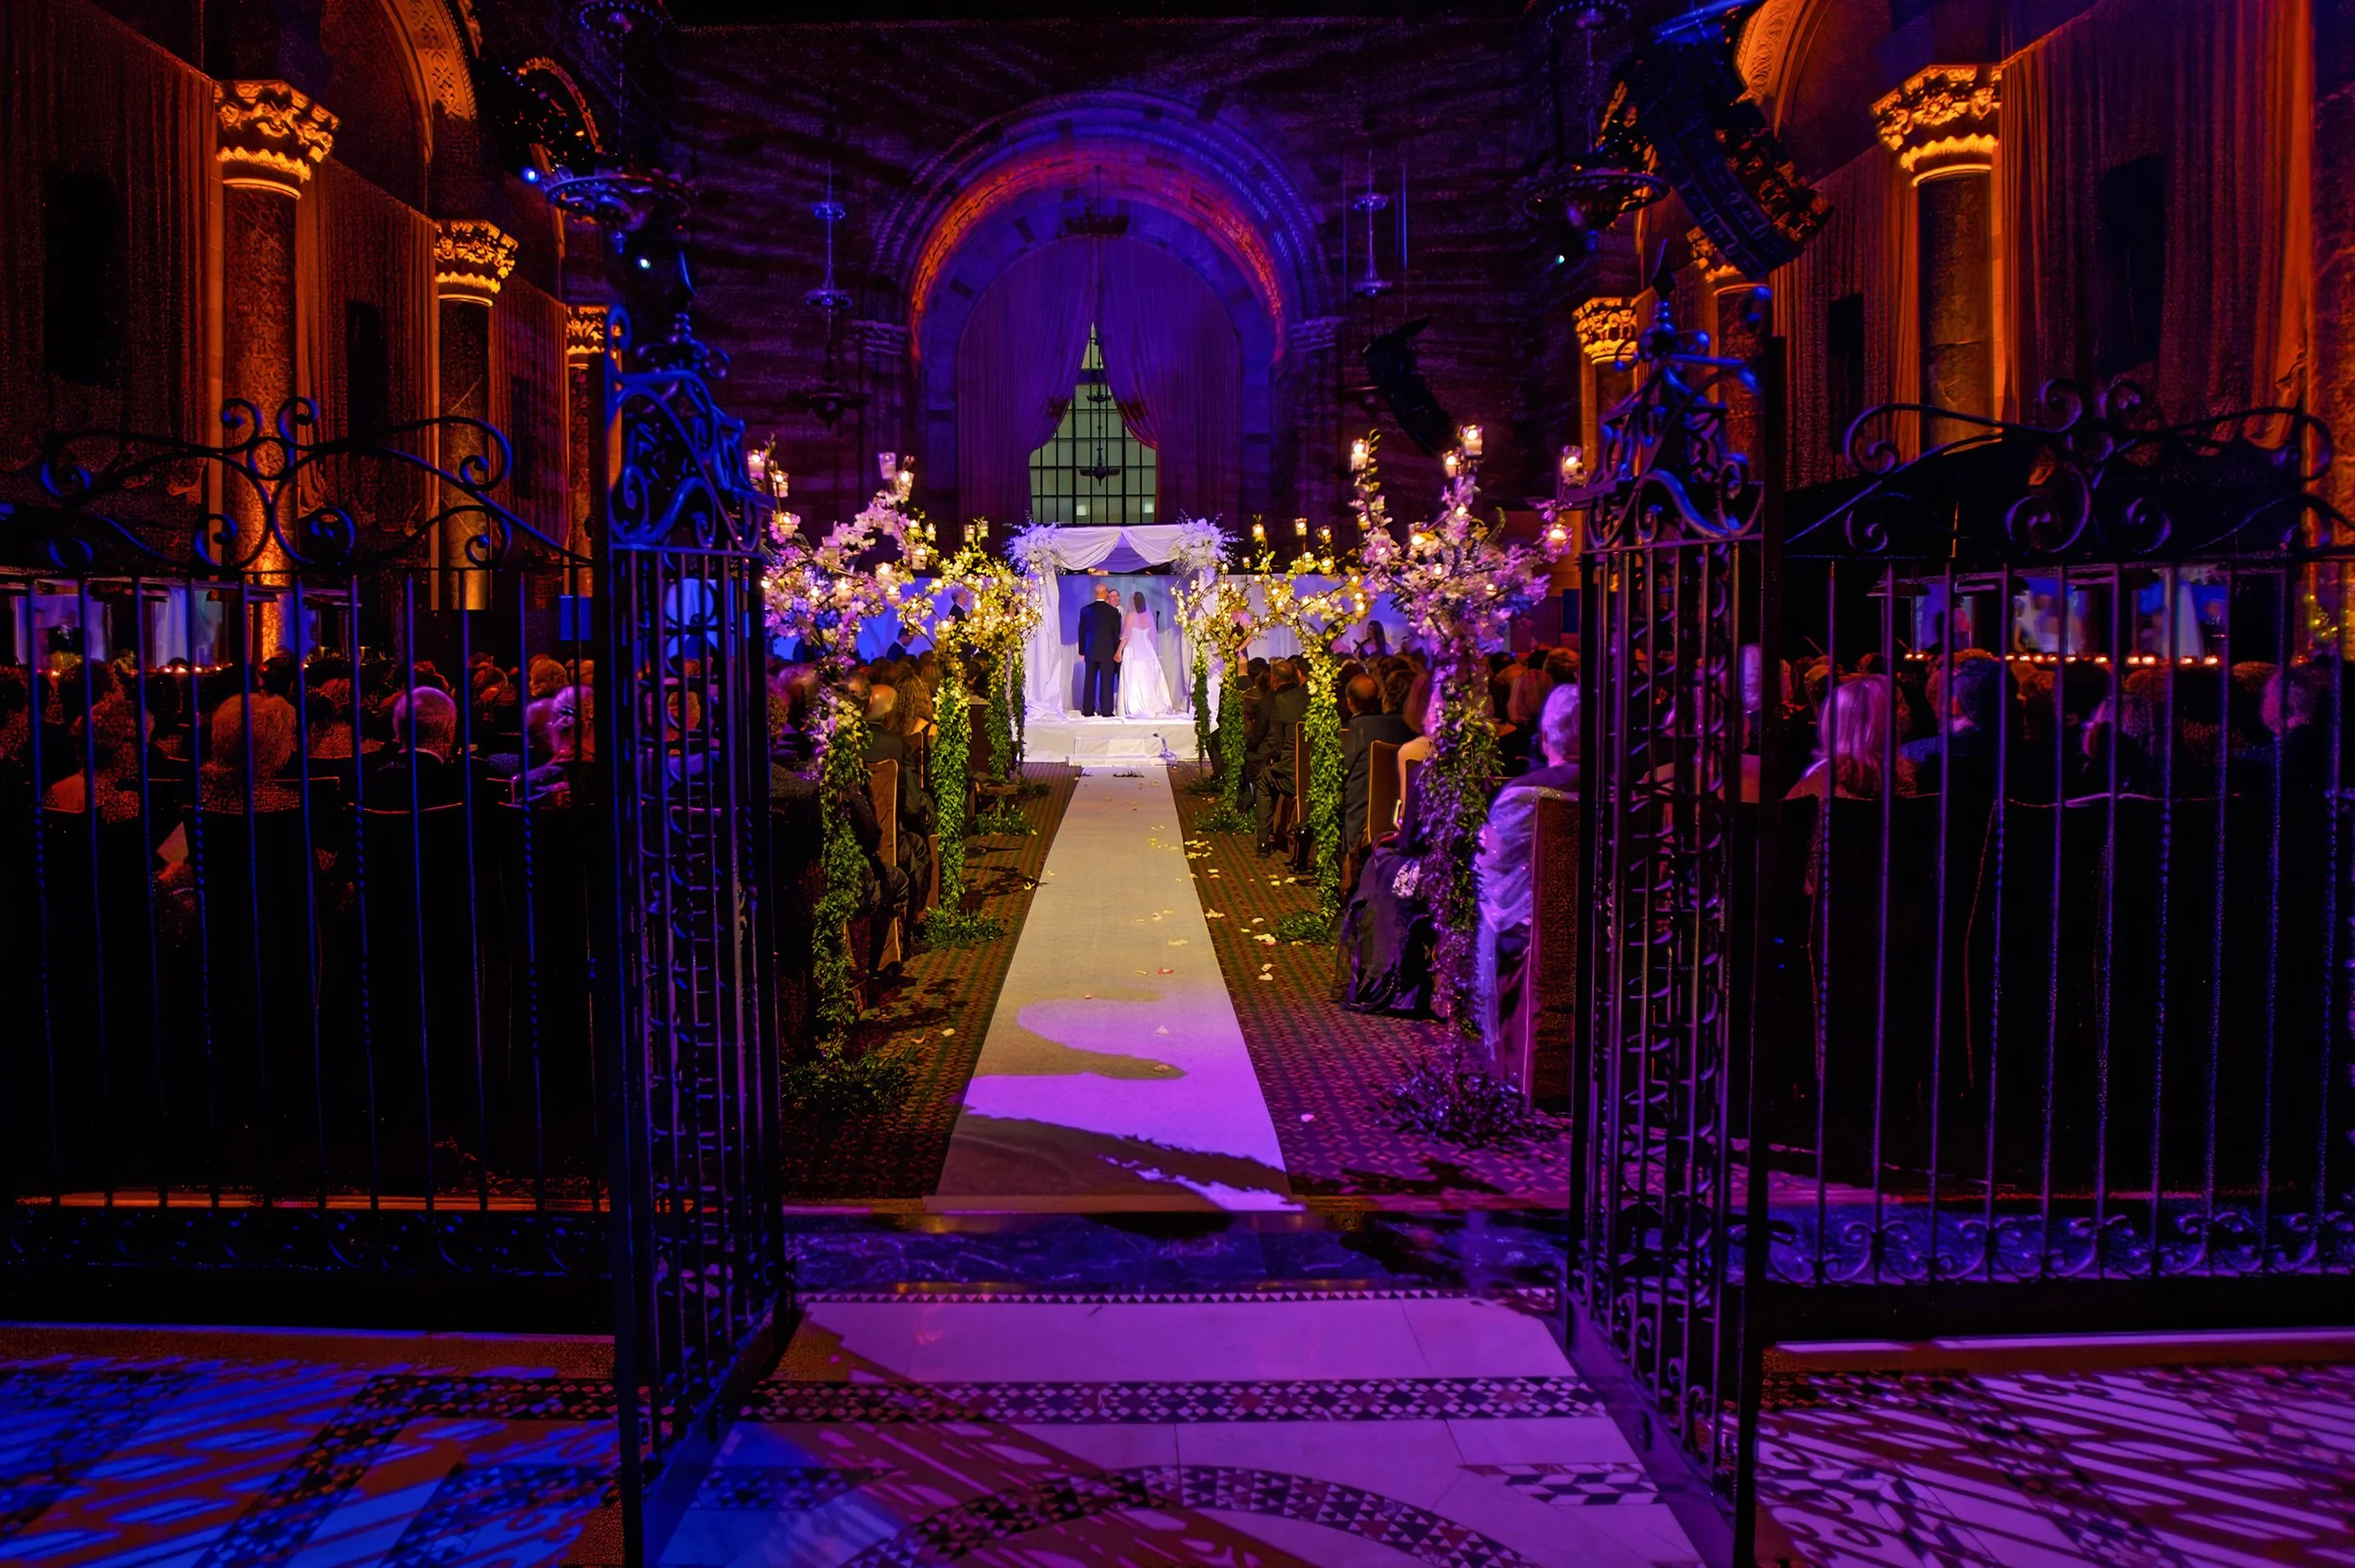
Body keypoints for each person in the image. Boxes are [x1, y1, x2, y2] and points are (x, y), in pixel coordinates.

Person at [1475, 683, 1580, 1065]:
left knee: (1487, 898)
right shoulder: (1612, 791)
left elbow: (1495, 868)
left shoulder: (1520, 793)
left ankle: (1503, 1048)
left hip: (1528, 926)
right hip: (1598, 927)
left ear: (1547, 737)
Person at [1340, 671, 1412, 853]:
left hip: (1365, 812)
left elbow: (1344, 771)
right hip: (1407, 810)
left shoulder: (1361, 728)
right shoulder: (1412, 728)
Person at [1248, 656, 1310, 853]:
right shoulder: (1311, 697)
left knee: (1264, 779)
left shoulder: (1280, 701)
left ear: (1274, 679)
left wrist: (1258, 757)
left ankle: (1264, 842)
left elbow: (1275, 743)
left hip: (1293, 774)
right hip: (1314, 770)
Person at [1116, 590, 1174, 718]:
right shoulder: (1149, 616)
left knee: (1134, 678)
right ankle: (1151, 702)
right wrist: (1154, 652)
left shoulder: (1131, 615)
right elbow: (1152, 637)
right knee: (1149, 678)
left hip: (1133, 650)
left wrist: (1119, 651)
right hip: (1148, 650)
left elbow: (1125, 636)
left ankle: (1136, 704)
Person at [1078, 584, 1123, 717]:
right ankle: (1107, 711)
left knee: (1089, 681)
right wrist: (1116, 651)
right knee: (1106, 682)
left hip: (1090, 650)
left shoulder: (1085, 610)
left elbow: (1082, 631)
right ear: (1106, 594)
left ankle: (1088, 710)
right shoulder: (1113, 612)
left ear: (1095, 594)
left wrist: (1082, 650)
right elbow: (1116, 633)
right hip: (1107, 652)